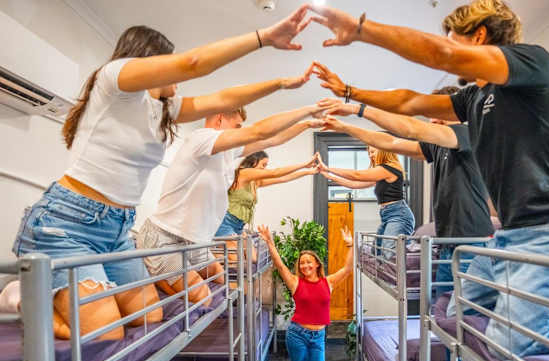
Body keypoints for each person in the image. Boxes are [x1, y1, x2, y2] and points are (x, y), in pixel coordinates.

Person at [307, 0, 549, 361]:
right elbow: (410, 104)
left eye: (455, 37)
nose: (449, 47)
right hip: (509, 236)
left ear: (478, 35)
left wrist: (361, 29)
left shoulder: (532, 63)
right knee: (458, 318)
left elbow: (443, 59)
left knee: (513, 348)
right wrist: (352, 96)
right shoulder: (475, 99)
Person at [12, 7, 313, 341]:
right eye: (167, 64)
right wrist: (264, 38)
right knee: (108, 335)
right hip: (69, 223)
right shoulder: (113, 81)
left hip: (118, 229)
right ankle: (22, 300)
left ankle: (59, 298)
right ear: (149, 63)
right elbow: (193, 63)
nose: (177, 76)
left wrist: (283, 85)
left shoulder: (163, 110)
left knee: (149, 316)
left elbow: (224, 100)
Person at [319, 90, 495, 361]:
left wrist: (355, 109)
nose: (433, 123)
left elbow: (406, 132)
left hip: (470, 242)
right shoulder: (437, 148)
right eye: (431, 118)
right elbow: (391, 142)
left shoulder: (465, 134)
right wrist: (346, 129)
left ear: (454, 116)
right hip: (447, 243)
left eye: (438, 116)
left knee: (468, 321)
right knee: (444, 319)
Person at [137, 104, 328, 304]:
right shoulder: (201, 139)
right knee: (203, 297)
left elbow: (273, 139)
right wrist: (308, 111)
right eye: (236, 126)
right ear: (219, 119)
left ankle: (169, 276)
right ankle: (157, 274)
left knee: (220, 277)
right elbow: (260, 132)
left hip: (192, 240)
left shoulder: (229, 152)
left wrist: (306, 125)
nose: (239, 132)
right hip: (165, 237)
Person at [257, 223, 353, 361]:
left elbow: (347, 269)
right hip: (297, 335)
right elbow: (280, 265)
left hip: (318, 336)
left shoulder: (328, 282)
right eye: (302, 263)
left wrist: (350, 245)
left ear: (317, 264)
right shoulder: (295, 283)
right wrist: (270, 242)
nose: (305, 266)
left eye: (309, 262)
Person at [316, 144, 414, 258]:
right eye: (369, 153)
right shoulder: (381, 173)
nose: (370, 156)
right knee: (376, 251)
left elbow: (356, 175)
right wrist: (329, 176)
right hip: (387, 215)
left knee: (388, 254)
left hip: (399, 215)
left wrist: (327, 168)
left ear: (383, 151)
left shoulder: (388, 169)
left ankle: (410, 259)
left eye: (373, 152)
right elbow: (355, 184)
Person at [216, 150, 322, 237]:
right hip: (226, 223)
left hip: (239, 225)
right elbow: (275, 172)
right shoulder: (244, 172)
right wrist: (304, 165)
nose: (264, 168)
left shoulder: (254, 182)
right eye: (263, 165)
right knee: (236, 255)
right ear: (253, 162)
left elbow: (283, 178)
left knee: (252, 255)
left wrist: (308, 172)